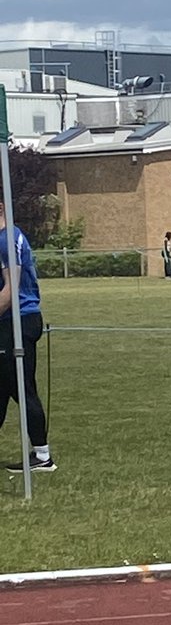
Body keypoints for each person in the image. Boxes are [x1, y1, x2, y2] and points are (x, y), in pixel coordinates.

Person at [0, 192, 55, 472]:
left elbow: (10, 292)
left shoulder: (7, 239)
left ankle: (43, 456)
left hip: (18, 321)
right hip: (12, 321)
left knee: (22, 388)